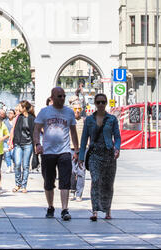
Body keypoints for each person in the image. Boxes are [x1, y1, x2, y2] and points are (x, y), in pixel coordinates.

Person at [33, 87, 79, 221]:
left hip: (64, 151)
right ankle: (50, 206)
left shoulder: (69, 112)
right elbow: (36, 130)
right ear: (52, 97)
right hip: (48, 152)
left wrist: (76, 150)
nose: (62, 98)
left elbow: (73, 132)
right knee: (48, 181)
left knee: (65, 181)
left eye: (63, 96)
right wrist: (37, 144)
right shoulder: (45, 112)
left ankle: (65, 209)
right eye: (59, 96)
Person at [79, 93, 121, 221]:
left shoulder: (112, 119)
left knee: (108, 183)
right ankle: (95, 210)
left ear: (106, 103)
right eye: (98, 102)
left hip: (108, 153)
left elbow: (117, 136)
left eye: (103, 102)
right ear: (95, 104)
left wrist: (117, 148)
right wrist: (81, 156)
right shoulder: (89, 120)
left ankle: (107, 210)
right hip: (94, 154)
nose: (101, 105)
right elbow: (84, 138)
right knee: (96, 180)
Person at [10, 101, 35, 193]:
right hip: (18, 144)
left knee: (25, 165)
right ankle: (18, 184)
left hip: (28, 144)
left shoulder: (32, 118)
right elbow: (14, 130)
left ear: (24, 108)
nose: (18, 108)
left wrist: (36, 144)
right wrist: (12, 142)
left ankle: (24, 185)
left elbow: (34, 132)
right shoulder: (18, 118)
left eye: (20, 106)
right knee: (17, 164)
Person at [69, 101, 85, 202]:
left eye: (79, 109)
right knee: (72, 170)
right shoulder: (69, 121)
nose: (77, 111)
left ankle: (79, 193)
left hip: (83, 149)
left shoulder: (84, 121)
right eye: (75, 109)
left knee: (81, 171)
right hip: (70, 148)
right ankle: (72, 190)